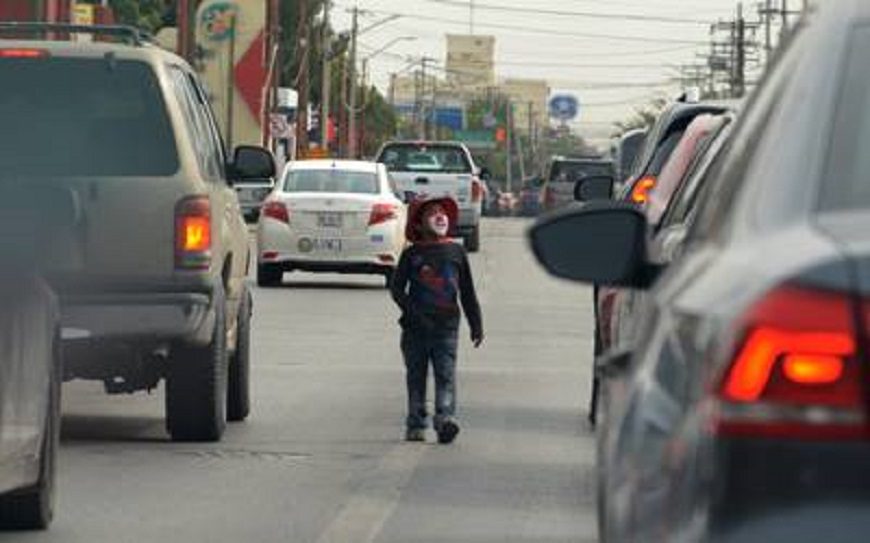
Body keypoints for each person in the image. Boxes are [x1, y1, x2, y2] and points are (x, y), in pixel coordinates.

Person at [390, 197, 484, 444]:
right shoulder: (411, 254)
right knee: (416, 375)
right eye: (432, 212)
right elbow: (397, 289)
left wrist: (476, 323)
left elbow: (467, 291)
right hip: (415, 329)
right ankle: (416, 422)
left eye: (442, 212)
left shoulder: (456, 252)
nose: (439, 216)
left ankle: (445, 420)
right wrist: (413, 312)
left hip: (447, 326)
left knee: (446, 374)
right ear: (419, 224)